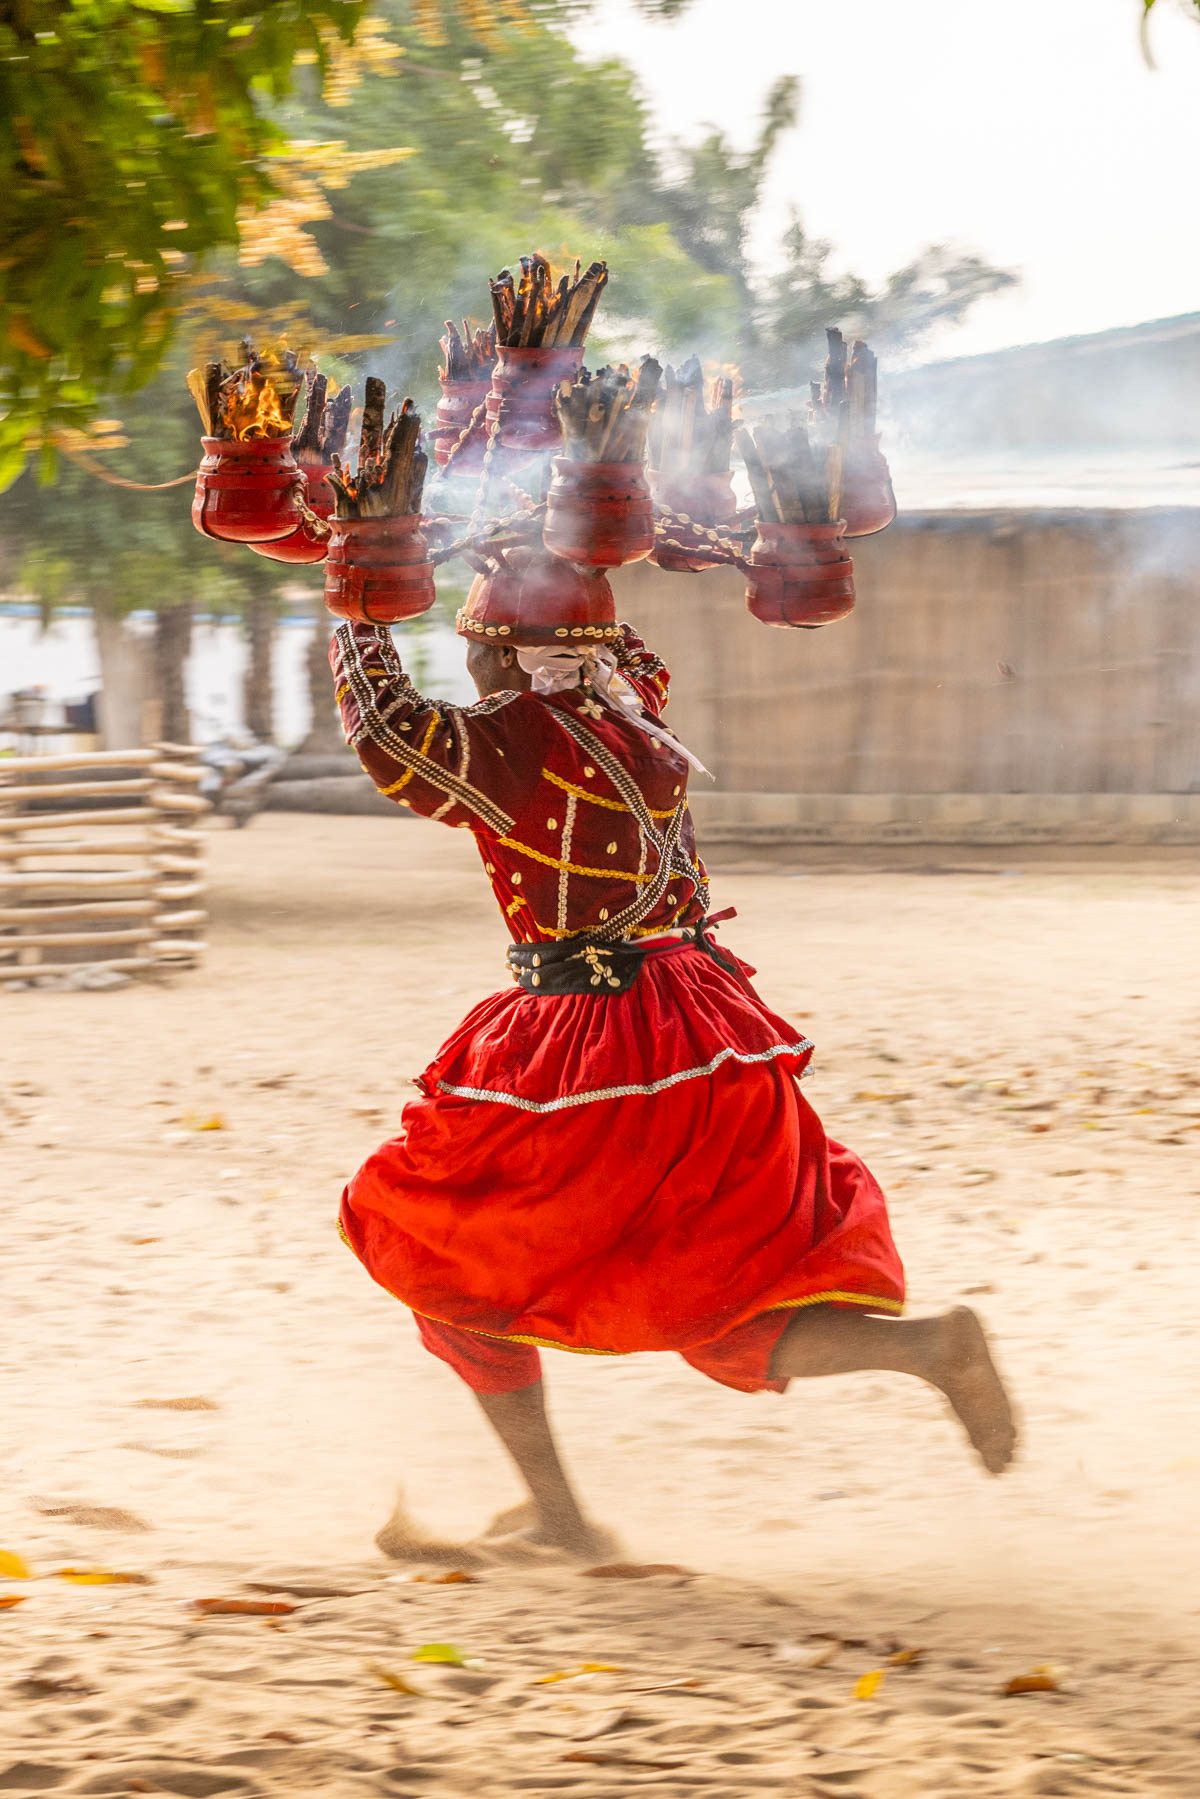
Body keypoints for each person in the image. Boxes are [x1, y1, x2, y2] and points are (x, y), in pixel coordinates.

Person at [330, 609, 1016, 1560]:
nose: (469, 658)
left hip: (602, 1052)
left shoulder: (513, 740)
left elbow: (385, 731)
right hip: (712, 1027)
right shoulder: (632, 710)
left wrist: (354, 601)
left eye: (478, 641)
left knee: (441, 1256)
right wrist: (550, 544)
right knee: (729, 1298)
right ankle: (926, 1347)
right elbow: (627, 645)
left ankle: (564, 1520)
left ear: (504, 653)